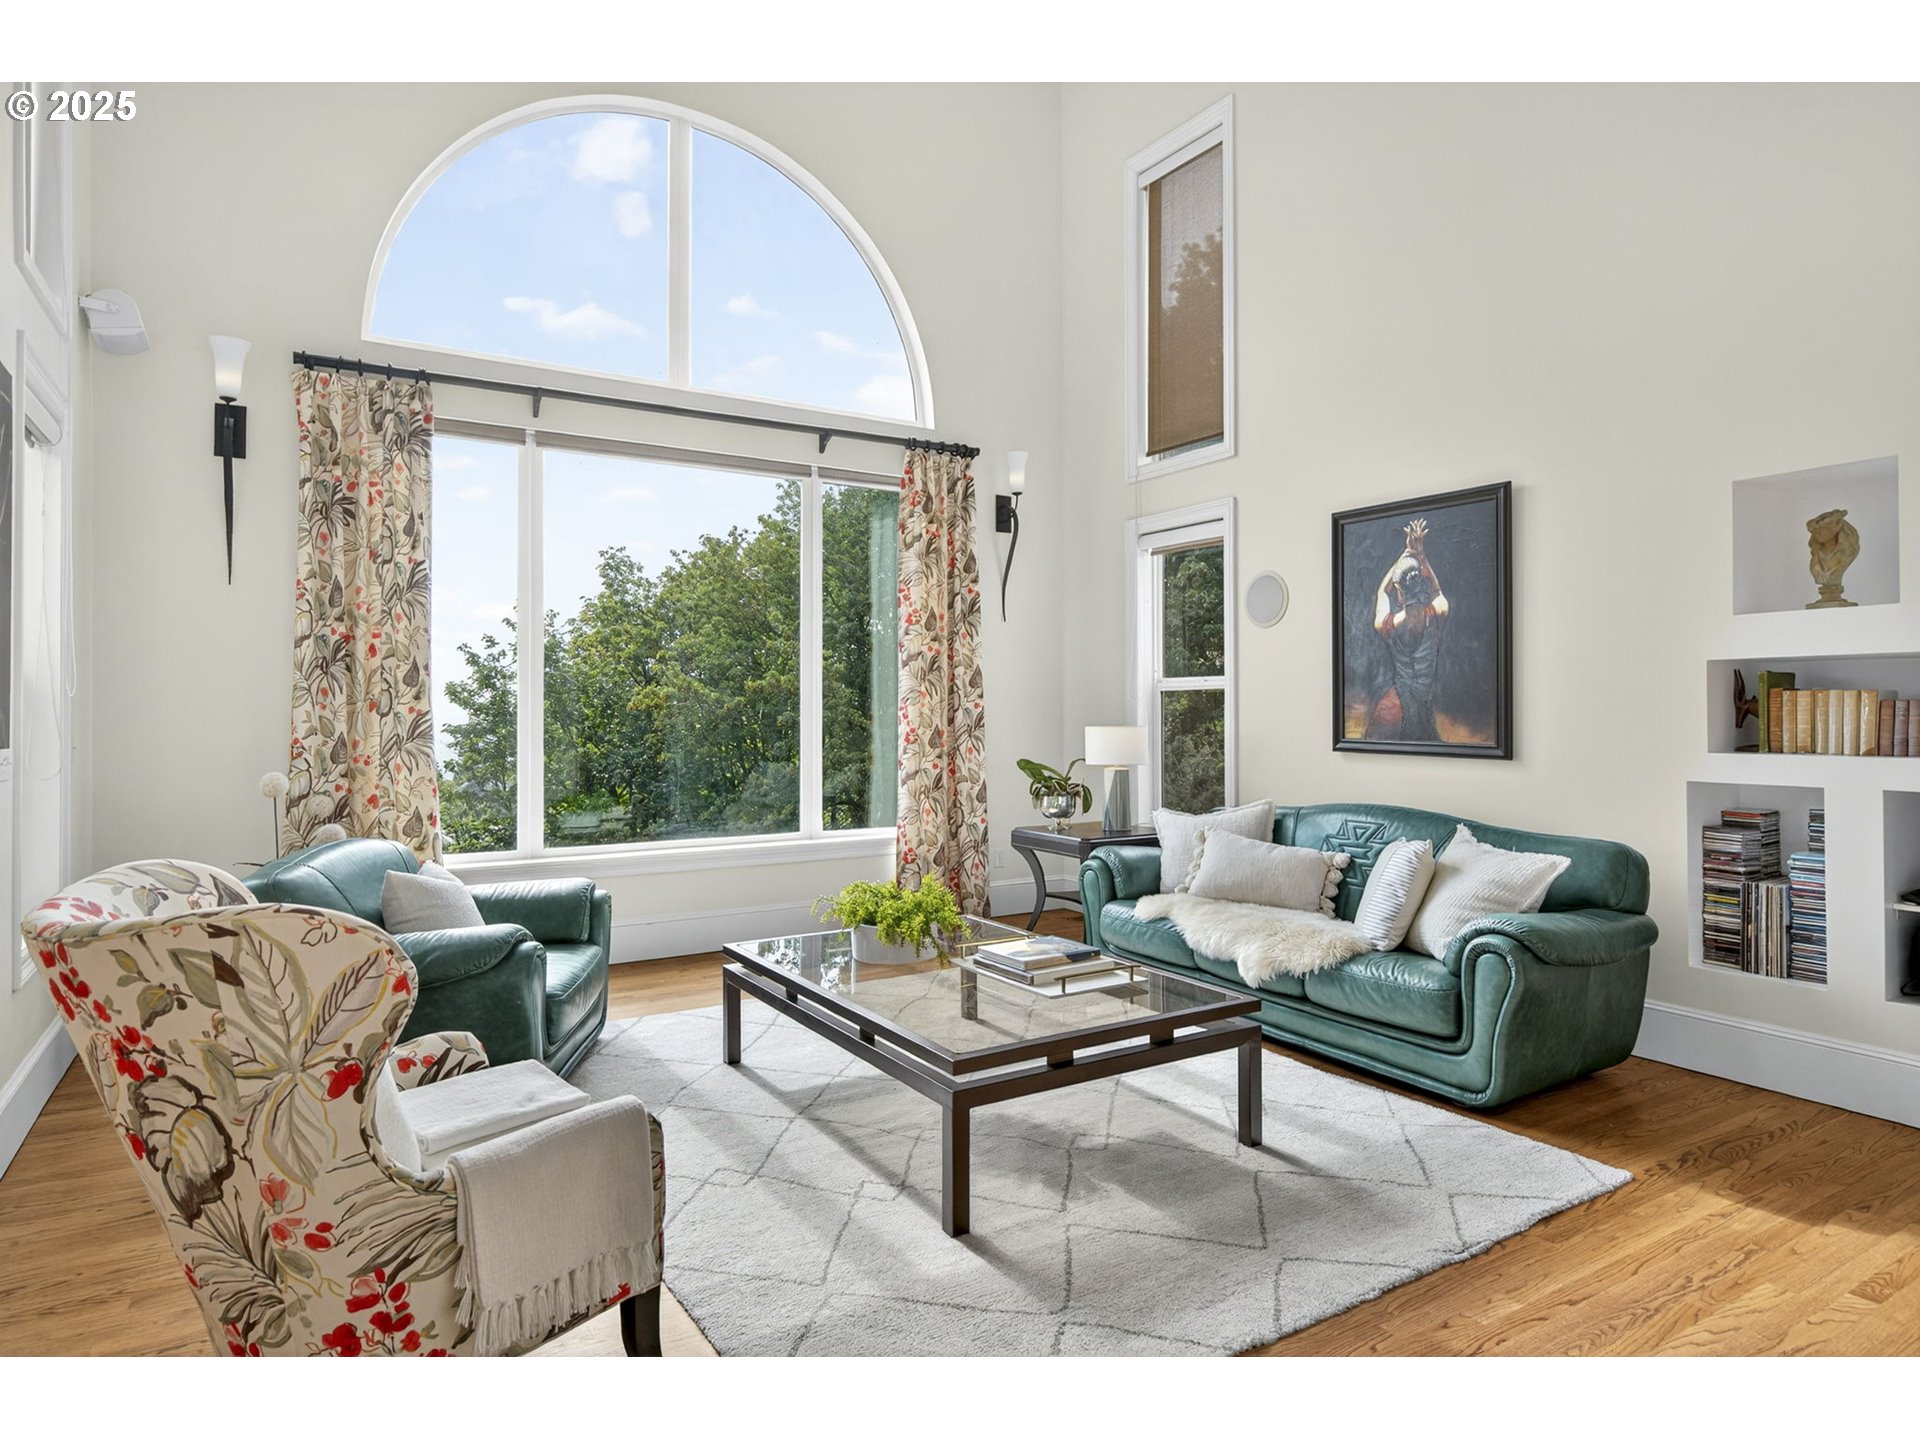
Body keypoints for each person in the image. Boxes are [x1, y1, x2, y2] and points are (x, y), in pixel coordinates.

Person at [1368, 517, 1449, 742]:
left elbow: (1382, 592)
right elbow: (1437, 590)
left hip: (1397, 707)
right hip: (1424, 705)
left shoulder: (1387, 624)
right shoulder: (1438, 612)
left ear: (1399, 590)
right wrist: (1420, 555)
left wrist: (1406, 554)